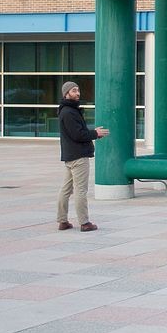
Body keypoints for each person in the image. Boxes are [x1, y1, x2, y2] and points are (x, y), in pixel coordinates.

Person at [56, 80, 109, 232]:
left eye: (78, 90)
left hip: (70, 156)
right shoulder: (69, 112)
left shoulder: (67, 110)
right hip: (78, 157)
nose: (77, 93)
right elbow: (78, 134)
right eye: (73, 91)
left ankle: (62, 221)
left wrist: (93, 132)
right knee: (80, 190)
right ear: (66, 94)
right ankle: (84, 223)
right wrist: (95, 134)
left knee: (66, 189)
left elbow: (77, 131)